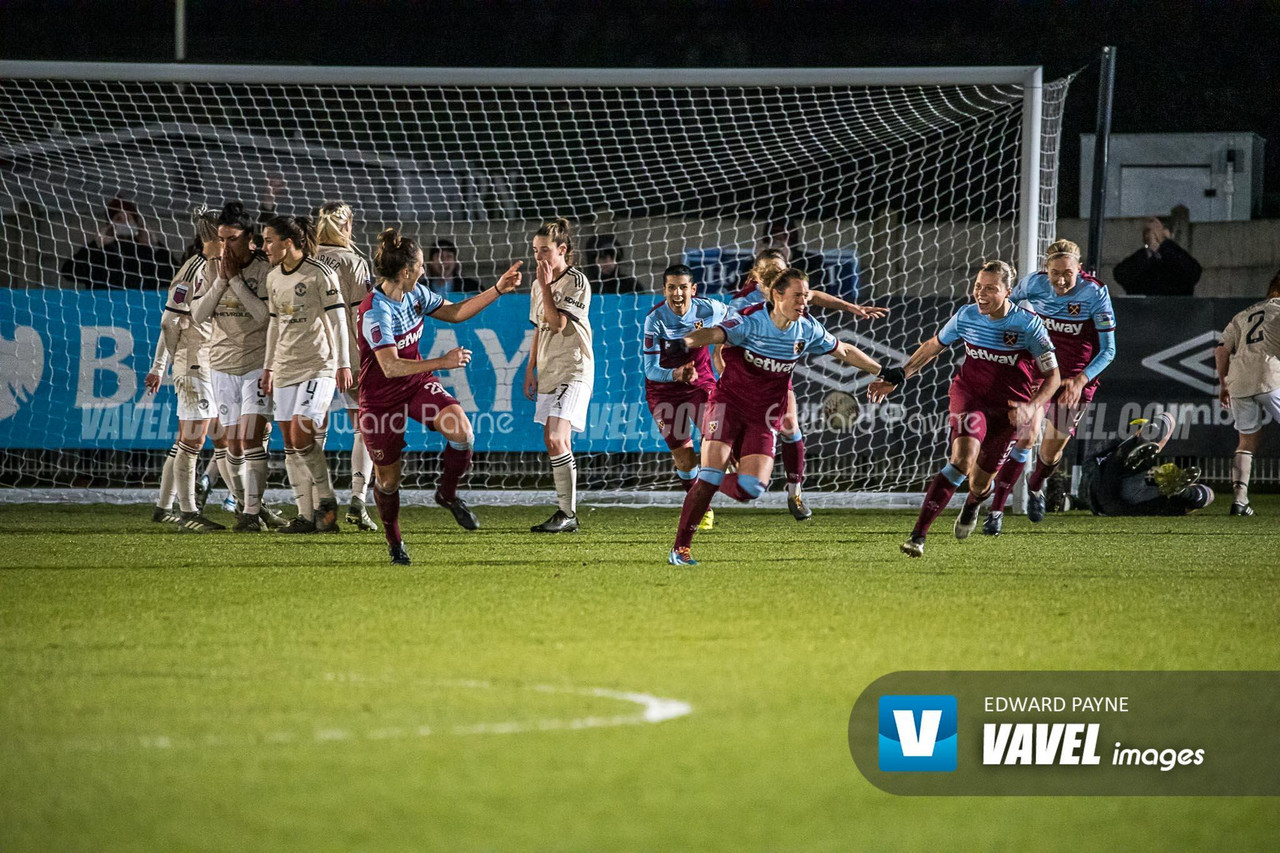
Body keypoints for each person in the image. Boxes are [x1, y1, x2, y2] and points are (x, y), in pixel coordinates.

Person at [667, 268, 895, 565]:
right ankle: (681, 548)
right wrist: (685, 342)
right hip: (727, 407)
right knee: (709, 477)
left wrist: (883, 371)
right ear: (777, 295)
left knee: (750, 489)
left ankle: (713, 477)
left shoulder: (807, 329)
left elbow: (845, 351)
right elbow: (714, 333)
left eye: (806, 296)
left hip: (764, 417)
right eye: (797, 296)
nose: (804, 302)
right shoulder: (749, 320)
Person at [868, 260, 1061, 558]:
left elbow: (1053, 376)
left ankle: (973, 504)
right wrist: (901, 375)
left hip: (1010, 410)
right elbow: (934, 345)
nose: (981, 295)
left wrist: (1033, 408)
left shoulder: (1028, 325)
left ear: (1008, 292)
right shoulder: (967, 316)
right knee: (961, 460)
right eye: (977, 288)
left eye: (990, 289)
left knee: (981, 483)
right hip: (970, 397)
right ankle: (918, 536)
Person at [357, 229, 523, 564]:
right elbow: (389, 367)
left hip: (416, 383)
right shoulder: (375, 311)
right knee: (388, 481)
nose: (423, 269)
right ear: (405, 271)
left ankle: (446, 494)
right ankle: (395, 543)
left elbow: (456, 312)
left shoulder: (415, 293)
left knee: (462, 431)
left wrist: (497, 290)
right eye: (419, 265)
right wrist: (443, 362)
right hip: (380, 399)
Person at [727, 248, 890, 519]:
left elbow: (816, 297)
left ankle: (795, 493)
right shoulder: (743, 303)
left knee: (791, 426)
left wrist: (851, 307)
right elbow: (723, 345)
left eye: (779, 270)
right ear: (756, 275)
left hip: (777, 377)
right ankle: (724, 474)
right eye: (768, 270)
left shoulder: (793, 297)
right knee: (739, 438)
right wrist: (726, 376)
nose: (774, 274)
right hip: (744, 381)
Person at [982, 239, 1117, 534]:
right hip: (1039, 373)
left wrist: (1080, 381)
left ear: (1079, 270)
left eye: (1067, 272)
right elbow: (1008, 308)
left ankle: (1036, 485)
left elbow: (1109, 351)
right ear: (1046, 269)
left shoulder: (1095, 294)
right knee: (1024, 437)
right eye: (1055, 272)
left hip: (1076, 382)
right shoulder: (1033, 285)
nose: (1060, 279)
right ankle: (995, 512)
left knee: (1050, 454)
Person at [191, 201, 283, 532]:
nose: (226, 245)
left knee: (251, 438)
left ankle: (250, 513)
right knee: (230, 444)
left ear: (250, 239)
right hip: (220, 364)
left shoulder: (266, 271)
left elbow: (263, 319)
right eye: (222, 238)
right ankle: (250, 507)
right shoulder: (211, 268)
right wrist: (221, 281)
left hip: (257, 363)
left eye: (232, 239)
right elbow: (199, 315)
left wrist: (236, 283)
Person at [261, 214, 351, 533]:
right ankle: (305, 516)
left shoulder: (320, 274)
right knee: (290, 443)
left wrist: (343, 364)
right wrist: (269, 366)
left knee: (302, 432)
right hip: (285, 367)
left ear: (288, 243)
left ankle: (326, 500)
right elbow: (274, 323)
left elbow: (339, 322)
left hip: (319, 365)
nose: (264, 246)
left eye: (269, 240)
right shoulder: (273, 277)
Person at [143, 206, 226, 532]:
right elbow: (169, 321)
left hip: (205, 363)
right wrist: (164, 363)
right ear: (215, 236)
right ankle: (189, 513)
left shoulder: (214, 267)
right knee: (194, 441)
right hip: (195, 365)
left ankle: (164, 507)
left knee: (191, 440)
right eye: (226, 235)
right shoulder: (194, 270)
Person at [642, 263, 733, 529]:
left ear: (693, 289)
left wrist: (720, 349)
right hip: (663, 389)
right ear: (664, 290)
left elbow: (738, 321)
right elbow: (651, 370)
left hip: (699, 380)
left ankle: (723, 460)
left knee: (715, 430)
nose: (678, 293)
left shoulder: (710, 309)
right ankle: (701, 504)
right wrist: (676, 374)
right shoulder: (655, 319)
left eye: (683, 287)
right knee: (683, 457)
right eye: (672, 288)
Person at [523, 218, 594, 533]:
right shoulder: (539, 283)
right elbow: (539, 327)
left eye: (545, 251)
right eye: (535, 251)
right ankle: (566, 514)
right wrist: (530, 368)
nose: (539, 258)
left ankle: (568, 513)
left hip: (574, 368)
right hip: (549, 369)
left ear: (562, 249)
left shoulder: (576, 281)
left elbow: (558, 324)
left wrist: (546, 286)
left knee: (556, 436)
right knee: (552, 441)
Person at [315, 201, 379, 531]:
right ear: (346, 225)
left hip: (313, 356)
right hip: (350, 357)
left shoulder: (306, 260)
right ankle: (357, 498)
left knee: (314, 429)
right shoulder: (353, 261)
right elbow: (360, 314)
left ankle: (316, 504)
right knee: (362, 426)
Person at [1215, 270, 1280, 516]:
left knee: (1246, 442)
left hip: (1239, 380)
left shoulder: (1244, 315)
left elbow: (1221, 351)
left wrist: (1224, 384)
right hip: (1270, 376)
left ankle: (1240, 500)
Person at [1080, 412, 1214, 516]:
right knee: (1204, 496)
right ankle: (1186, 492)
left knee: (1193, 497)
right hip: (1131, 501)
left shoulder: (1109, 451)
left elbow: (1091, 461)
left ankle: (1138, 454)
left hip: (1110, 502)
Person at [60, 196, 174, 290]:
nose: (125, 223)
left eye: (129, 218)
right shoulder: (101, 252)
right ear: (110, 224)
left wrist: (155, 245)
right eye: (119, 219)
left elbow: (175, 276)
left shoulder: (146, 252)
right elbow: (69, 272)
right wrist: (96, 245)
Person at [1112, 216, 1202, 296]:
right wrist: (1149, 250)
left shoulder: (1176, 255)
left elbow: (1193, 272)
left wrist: (1164, 244)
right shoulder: (1141, 259)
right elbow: (1120, 274)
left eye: (1157, 232)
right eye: (1149, 232)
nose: (1152, 236)